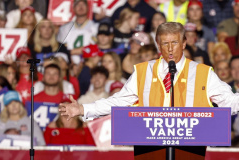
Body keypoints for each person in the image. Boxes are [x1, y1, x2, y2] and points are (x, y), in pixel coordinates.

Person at [59, 22, 239, 121]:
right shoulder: (143, 71)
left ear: (184, 43)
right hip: (150, 148)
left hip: (192, 150)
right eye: (165, 43)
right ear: (158, 45)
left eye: (174, 43)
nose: (170, 49)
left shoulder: (204, 73)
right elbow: (118, 102)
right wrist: (83, 109)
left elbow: (228, 102)